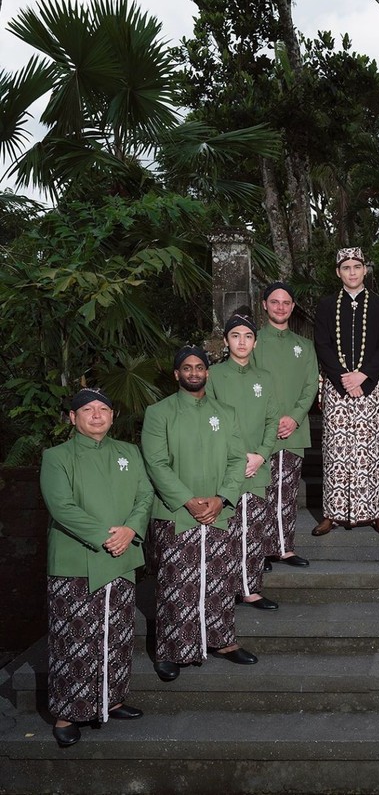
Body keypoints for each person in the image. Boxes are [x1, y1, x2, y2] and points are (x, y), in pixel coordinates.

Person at [40, 388, 153, 747]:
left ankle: (111, 698)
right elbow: (61, 506)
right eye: (87, 409)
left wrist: (131, 529)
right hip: (75, 561)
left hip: (122, 557)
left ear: (112, 416)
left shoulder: (128, 452)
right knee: (73, 638)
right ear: (73, 417)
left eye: (103, 408)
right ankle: (67, 713)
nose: (97, 415)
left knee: (117, 633)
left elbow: (145, 495)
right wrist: (106, 537)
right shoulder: (56, 457)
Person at [141, 345, 253, 682]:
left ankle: (223, 641)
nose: (194, 372)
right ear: (177, 373)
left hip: (219, 510)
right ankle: (171, 650)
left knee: (220, 578)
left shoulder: (226, 412)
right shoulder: (159, 413)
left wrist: (222, 498)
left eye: (199, 367)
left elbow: (237, 459)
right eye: (187, 368)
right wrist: (188, 501)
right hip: (175, 512)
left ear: (208, 372)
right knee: (176, 582)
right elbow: (155, 463)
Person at [312, 247, 379, 536]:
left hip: (370, 388)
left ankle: (374, 511)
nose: (352, 272)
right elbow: (322, 344)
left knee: (370, 452)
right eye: (346, 267)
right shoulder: (326, 306)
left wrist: (363, 376)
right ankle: (331, 513)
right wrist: (343, 379)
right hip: (337, 388)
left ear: (365, 270)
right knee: (336, 451)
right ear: (338, 272)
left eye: (357, 266)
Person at [208, 311, 281, 609]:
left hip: (256, 466)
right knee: (225, 529)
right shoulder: (213, 376)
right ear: (226, 341)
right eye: (235, 336)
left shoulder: (265, 378)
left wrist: (261, 455)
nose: (242, 341)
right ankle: (223, 588)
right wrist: (237, 457)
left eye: (248, 336)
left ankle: (250, 588)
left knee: (252, 530)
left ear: (255, 342)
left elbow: (272, 421)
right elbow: (208, 420)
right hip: (224, 466)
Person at [252, 281, 319, 568]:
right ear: (264, 305)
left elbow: (311, 385)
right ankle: (260, 549)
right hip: (259, 430)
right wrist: (270, 420)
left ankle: (284, 547)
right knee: (261, 489)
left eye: (286, 302)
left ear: (292, 307)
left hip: (294, 428)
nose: (280, 307)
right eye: (274, 302)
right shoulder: (253, 341)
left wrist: (294, 417)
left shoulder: (304, 346)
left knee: (287, 490)